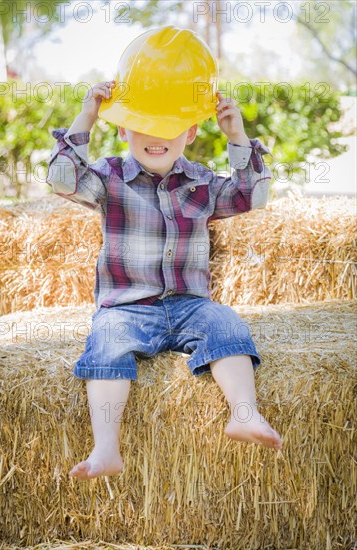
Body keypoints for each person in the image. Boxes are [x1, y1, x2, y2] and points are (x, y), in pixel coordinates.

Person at [46, 27, 282, 481]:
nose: (157, 136)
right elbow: (61, 179)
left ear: (191, 130)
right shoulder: (109, 178)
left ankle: (245, 413)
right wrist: (86, 116)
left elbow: (253, 196)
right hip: (127, 306)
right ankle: (106, 449)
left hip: (190, 305)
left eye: (170, 126)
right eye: (144, 125)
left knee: (227, 325)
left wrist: (237, 136)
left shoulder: (200, 181)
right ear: (123, 128)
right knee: (108, 346)